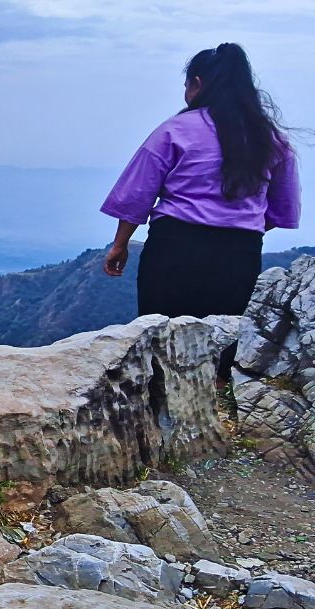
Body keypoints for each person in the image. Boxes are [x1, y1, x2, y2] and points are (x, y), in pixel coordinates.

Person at [101, 43, 301, 380]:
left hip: (174, 248)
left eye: (186, 86)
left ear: (197, 83)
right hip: (240, 253)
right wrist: (237, 226)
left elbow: (137, 196)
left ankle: (159, 412)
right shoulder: (271, 139)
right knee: (221, 340)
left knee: (161, 338)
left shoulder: (174, 130)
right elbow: (281, 211)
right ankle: (215, 408)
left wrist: (120, 246)